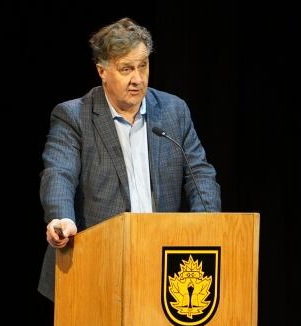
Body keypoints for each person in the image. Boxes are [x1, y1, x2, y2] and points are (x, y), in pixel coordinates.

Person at [38, 17, 222, 300]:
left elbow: (200, 173)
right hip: (94, 269)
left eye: (143, 66)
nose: (138, 78)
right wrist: (61, 217)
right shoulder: (74, 116)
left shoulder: (173, 112)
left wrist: (206, 228)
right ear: (102, 71)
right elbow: (59, 172)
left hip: (160, 266)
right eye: (126, 69)